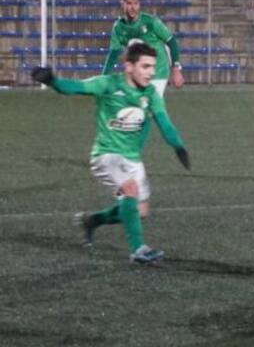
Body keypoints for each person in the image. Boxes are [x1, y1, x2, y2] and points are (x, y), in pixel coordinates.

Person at [32, 42, 190, 264]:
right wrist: (52, 81)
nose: (151, 72)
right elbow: (75, 87)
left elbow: (164, 123)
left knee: (140, 211)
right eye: (145, 67)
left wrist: (178, 146)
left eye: (153, 67)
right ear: (129, 66)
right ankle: (139, 250)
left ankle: (92, 221)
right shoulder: (107, 84)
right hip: (106, 155)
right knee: (130, 189)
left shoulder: (151, 93)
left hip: (132, 159)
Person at [100, 0, 184, 98]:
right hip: (136, 74)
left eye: (136, 3)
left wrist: (176, 69)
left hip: (157, 72)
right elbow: (113, 54)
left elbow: (171, 42)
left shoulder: (151, 22)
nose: (132, 7)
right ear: (122, 4)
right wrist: (103, 78)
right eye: (129, 3)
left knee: (149, 107)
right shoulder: (118, 27)